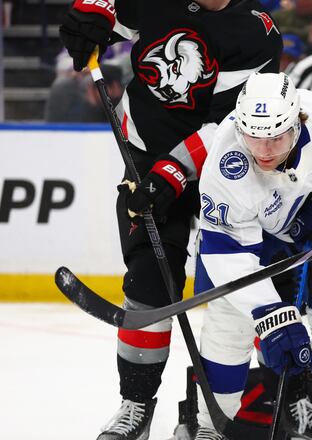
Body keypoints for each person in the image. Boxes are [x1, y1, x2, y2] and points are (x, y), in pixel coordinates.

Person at [58, 1, 282, 438]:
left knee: (233, 291)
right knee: (148, 282)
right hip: (146, 159)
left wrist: (174, 173)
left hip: (227, 171)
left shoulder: (254, 31)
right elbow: (108, 13)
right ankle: (135, 405)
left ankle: (221, 416)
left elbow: (231, 124)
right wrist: (91, 17)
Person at [194, 71, 312, 439]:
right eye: (254, 138)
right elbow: (225, 250)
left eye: (276, 137)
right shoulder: (225, 166)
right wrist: (269, 312)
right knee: (228, 326)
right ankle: (210, 426)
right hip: (253, 232)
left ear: (298, 123)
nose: (264, 151)